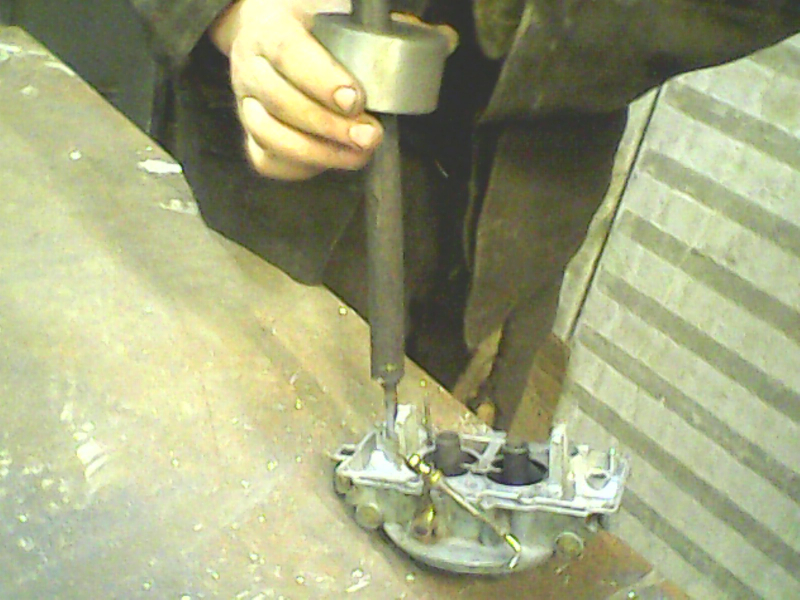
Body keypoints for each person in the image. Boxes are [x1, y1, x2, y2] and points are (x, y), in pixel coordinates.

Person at [128, 0, 800, 429]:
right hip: (266, 173)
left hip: (522, 202)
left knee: (437, 475)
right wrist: (234, 12)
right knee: (208, 433)